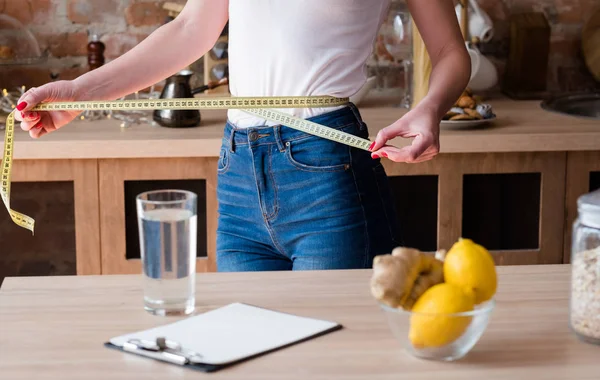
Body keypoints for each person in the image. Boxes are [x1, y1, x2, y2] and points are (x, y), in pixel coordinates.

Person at [15, 0, 470, 272]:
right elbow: (190, 30)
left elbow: (450, 51)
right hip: (238, 172)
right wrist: (78, 94)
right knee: (250, 365)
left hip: (326, 166)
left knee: (325, 369)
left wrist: (429, 109)